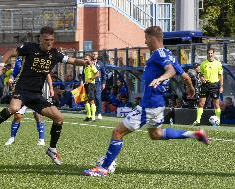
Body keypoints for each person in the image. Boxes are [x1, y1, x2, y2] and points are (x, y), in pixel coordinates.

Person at [83, 26, 208, 177]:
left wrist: (160, 78)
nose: (145, 41)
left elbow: (171, 70)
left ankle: (103, 169)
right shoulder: (169, 54)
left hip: (148, 105)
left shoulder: (159, 54)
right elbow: (185, 76)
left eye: (146, 38)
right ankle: (195, 134)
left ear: (152, 38)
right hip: (158, 104)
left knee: (117, 132)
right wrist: (190, 88)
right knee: (156, 134)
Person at [0, 26, 90, 165]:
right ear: (40, 39)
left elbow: (71, 60)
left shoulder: (55, 54)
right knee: (13, 108)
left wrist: (84, 63)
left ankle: (52, 149)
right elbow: (11, 52)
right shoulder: (30, 48)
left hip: (36, 95)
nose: (49, 42)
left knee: (59, 118)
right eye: (46, 39)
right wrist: (1, 64)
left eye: (52, 40)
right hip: (22, 89)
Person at [4, 57, 54, 146]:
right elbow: (14, 73)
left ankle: (41, 139)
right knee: (17, 116)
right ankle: (12, 138)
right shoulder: (19, 61)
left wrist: (51, 88)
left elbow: (47, 74)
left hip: (35, 92)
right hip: (22, 92)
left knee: (37, 114)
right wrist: (11, 79)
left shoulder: (38, 60)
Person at [193, 48, 223, 126]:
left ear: (214, 54)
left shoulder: (218, 64)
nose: (210, 55)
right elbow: (200, 74)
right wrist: (201, 78)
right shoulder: (203, 64)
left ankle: (218, 121)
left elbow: (220, 76)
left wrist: (221, 86)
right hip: (205, 85)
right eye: (208, 53)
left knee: (216, 103)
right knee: (201, 103)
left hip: (214, 85)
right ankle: (198, 120)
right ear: (207, 54)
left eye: (211, 53)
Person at [82, 54, 100, 121]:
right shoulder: (85, 67)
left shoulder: (92, 66)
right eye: (84, 59)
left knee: (91, 100)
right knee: (85, 100)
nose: (85, 60)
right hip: (86, 84)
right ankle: (88, 115)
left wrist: (91, 79)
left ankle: (93, 116)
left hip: (91, 85)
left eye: (86, 59)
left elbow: (97, 74)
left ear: (90, 60)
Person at [92, 51, 107, 120]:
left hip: (98, 83)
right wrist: (82, 81)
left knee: (98, 98)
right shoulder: (89, 62)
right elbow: (84, 73)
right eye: (93, 54)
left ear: (97, 55)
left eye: (95, 54)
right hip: (90, 83)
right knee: (91, 98)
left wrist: (104, 83)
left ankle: (99, 113)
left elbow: (104, 74)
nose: (94, 55)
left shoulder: (100, 64)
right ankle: (92, 113)